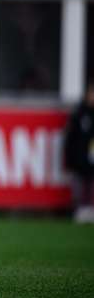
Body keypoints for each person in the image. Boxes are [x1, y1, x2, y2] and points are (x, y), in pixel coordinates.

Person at [64, 82, 94, 223]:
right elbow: (70, 139)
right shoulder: (79, 114)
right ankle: (79, 210)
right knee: (79, 185)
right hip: (79, 159)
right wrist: (69, 160)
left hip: (91, 158)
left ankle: (90, 210)